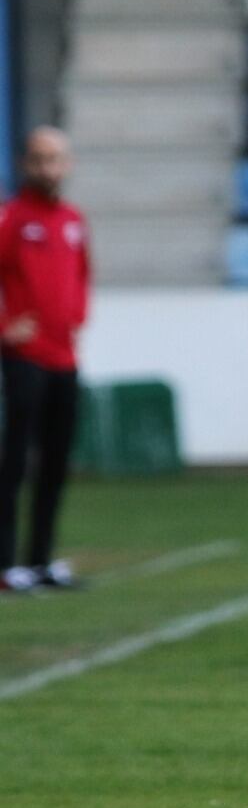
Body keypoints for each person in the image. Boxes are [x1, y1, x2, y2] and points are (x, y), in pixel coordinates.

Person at [0, 127, 91, 593]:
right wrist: (5, 328)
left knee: (55, 464)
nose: (47, 168)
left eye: (55, 159)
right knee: (14, 461)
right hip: (24, 358)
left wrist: (76, 317)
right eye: (38, 159)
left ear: (67, 164)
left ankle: (40, 561)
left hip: (64, 356)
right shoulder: (11, 218)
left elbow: (81, 275)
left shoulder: (73, 220)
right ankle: (5, 563)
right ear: (24, 164)